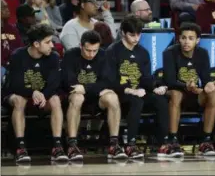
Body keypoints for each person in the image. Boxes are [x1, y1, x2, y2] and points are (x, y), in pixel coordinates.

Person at [106, 14, 174, 158]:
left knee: (161, 100)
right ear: (123, 33)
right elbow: (110, 81)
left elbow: (145, 79)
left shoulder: (142, 52)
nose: (136, 38)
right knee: (136, 101)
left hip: (140, 92)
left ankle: (164, 143)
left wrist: (155, 87)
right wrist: (131, 90)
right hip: (121, 93)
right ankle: (131, 144)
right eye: (132, 35)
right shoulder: (113, 51)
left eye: (138, 34)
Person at [3, 24, 68, 162]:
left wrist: (43, 94)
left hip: (44, 96)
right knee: (19, 100)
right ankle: (20, 147)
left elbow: (54, 83)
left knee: (55, 100)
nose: (52, 45)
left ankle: (57, 146)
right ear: (36, 44)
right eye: (48, 42)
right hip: (18, 94)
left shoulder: (54, 57)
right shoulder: (18, 56)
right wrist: (32, 92)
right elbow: (15, 84)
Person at [61, 30, 127, 160]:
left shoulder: (104, 55)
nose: (91, 54)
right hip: (76, 97)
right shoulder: (70, 55)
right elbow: (68, 83)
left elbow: (109, 81)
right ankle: (72, 145)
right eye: (88, 50)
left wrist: (85, 88)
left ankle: (114, 144)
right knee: (78, 97)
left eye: (95, 50)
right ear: (81, 46)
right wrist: (97, 88)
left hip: (96, 98)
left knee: (112, 97)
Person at [163, 22, 215, 156]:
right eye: (183, 38)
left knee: (212, 94)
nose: (186, 42)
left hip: (195, 93)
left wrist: (208, 85)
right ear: (179, 39)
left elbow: (205, 80)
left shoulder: (203, 53)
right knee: (176, 94)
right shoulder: (169, 53)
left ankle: (206, 140)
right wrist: (186, 86)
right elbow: (169, 81)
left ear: (197, 40)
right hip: (176, 91)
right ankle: (173, 140)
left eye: (191, 38)